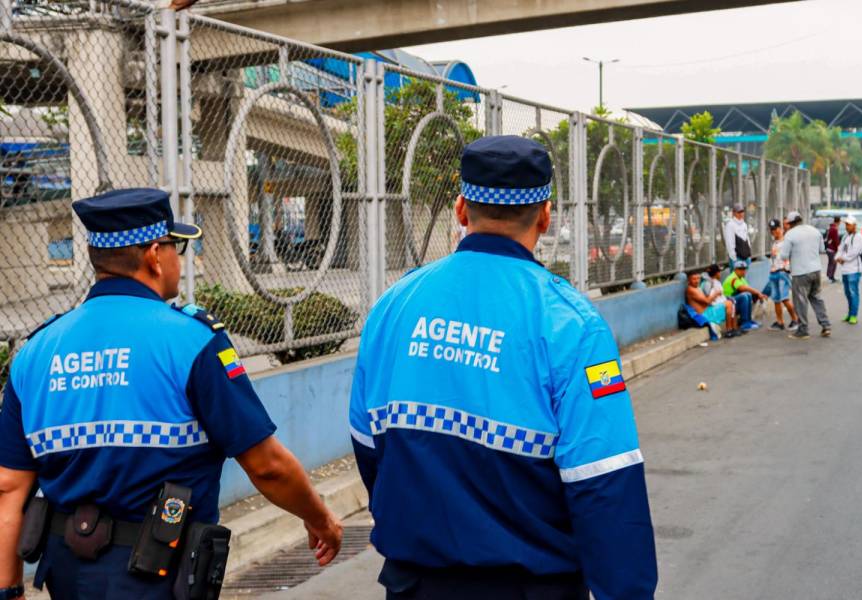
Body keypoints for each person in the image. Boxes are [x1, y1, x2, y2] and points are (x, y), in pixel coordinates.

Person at [349, 136, 656, 600]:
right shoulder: (572, 325)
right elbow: (604, 483)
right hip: (531, 587)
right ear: (546, 216)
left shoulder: (395, 305)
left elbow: (369, 447)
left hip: (414, 585)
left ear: (460, 209)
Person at [0, 189, 343, 600]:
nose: (179, 261)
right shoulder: (191, 342)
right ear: (154, 255)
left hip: (70, 577)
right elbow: (266, 465)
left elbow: (9, 487)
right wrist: (320, 519)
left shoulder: (36, 352)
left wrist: (8, 589)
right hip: (161, 576)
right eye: (177, 249)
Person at [778, 211, 832, 339]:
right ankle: (826, 325)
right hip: (816, 270)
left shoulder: (790, 234)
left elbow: (784, 255)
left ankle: (803, 330)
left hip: (800, 272)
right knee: (816, 297)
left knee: (800, 301)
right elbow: (821, 249)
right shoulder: (814, 231)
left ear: (790, 224)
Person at [765, 218, 800, 330]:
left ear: (780, 228)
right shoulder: (775, 242)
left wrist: (787, 269)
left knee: (784, 298)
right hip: (774, 272)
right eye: (771, 230)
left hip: (782, 272)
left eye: (775, 229)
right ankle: (780, 322)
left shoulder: (786, 241)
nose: (773, 232)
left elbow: (791, 256)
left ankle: (795, 319)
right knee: (776, 299)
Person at [685, 271, 738, 340]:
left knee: (730, 302)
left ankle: (733, 329)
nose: (697, 281)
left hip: (708, 310)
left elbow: (706, 300)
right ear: (689, 280)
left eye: (698, 278)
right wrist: (716, 293)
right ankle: (729, 330)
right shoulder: (690, 289)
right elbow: (707, 301)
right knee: (728, 304)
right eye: (694, 279)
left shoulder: (697, 288)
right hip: (704, 314)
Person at [836, 216, 862, 324]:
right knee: (848, 293)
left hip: (854, 270)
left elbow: (855, 252)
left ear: (854, 225)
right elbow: (840, 249)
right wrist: (837, 258)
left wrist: (843, 258)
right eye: (846, 224)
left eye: (849, 224)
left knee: (853, 293)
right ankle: (849, 314)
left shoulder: (858, 237)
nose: (847, 227)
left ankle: (854, 315)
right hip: (845, 270)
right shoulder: (845, 237)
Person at [723, 260, 767, 331]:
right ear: (735, 270)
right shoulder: (733, 277)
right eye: (740, 269)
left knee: (750, 295)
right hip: (728, 305)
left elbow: (749, 289)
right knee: (745, 296)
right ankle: (744, 323)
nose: (743, 271)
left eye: (744, 269)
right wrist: (758, 293)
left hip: (735, 302)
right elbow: (743, 288)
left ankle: (748, 320)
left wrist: (759, 295)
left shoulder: (742, 278)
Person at [723, 204, 752, 268]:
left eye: (742, 211)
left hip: (746, 257)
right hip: (737, 258)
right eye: (739, 212)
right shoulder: (730, 225)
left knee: (744, 277)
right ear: (734, 213)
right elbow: (729, 243)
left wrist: (749, 255)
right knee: (735, 277)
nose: (741, 213)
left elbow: (747, 239)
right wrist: (734, 259)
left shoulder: (744, 224)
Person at [824, 216, 841, 283]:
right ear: (838, 221)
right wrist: (838, 249)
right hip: (832, 249)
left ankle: (830, 276)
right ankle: (830, 277)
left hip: (829, 248)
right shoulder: (834, 229)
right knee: (833, 263)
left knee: (831, 263)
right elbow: (836, 240)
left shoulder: (830, 227)